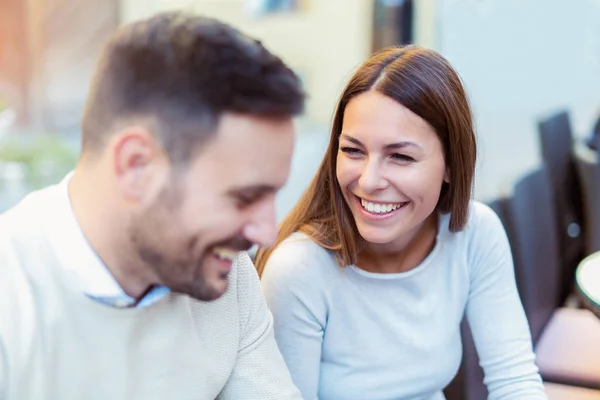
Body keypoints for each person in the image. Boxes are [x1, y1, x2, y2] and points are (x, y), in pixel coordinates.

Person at [0, 12, 305, 400]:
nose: (267, 232)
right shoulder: (11, 300)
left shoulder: (227, 275)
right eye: (244, 198)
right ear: (136, 165)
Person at [256, 45, 548, 400]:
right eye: (353, 151)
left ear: (451, 166)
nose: (368, 180)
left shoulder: (475, 234)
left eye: (400, 156)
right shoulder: (299, 269)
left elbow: (515, 382)